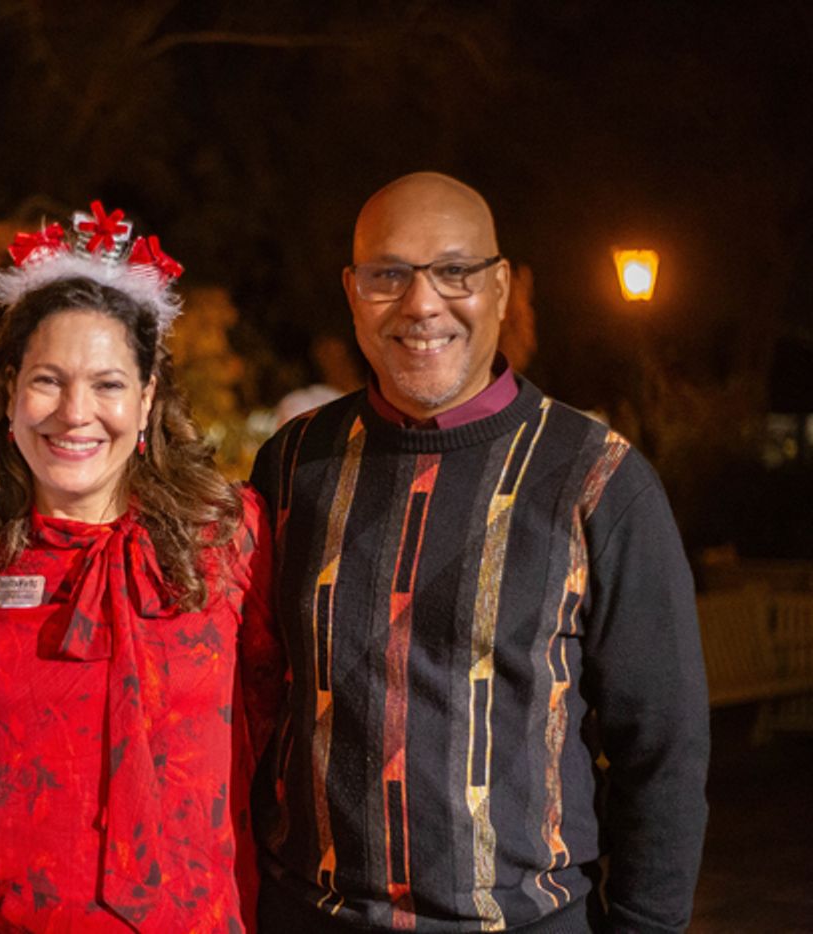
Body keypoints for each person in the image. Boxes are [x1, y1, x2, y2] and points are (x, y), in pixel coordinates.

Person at [250, 172, 709, 932]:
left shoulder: (598, 480)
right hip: (308, 915)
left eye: (455, 271)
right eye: (388, 275)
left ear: (500, 289)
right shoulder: (296, 464)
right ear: (352, 292)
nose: (421, 303)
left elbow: (662, 750)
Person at [0, 201, 283, 931]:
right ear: (10, 394)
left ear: (147, 399)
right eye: (47, 380)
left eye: (108, 384)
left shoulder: (227, 536)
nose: (74, 411)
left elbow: (277, 721)